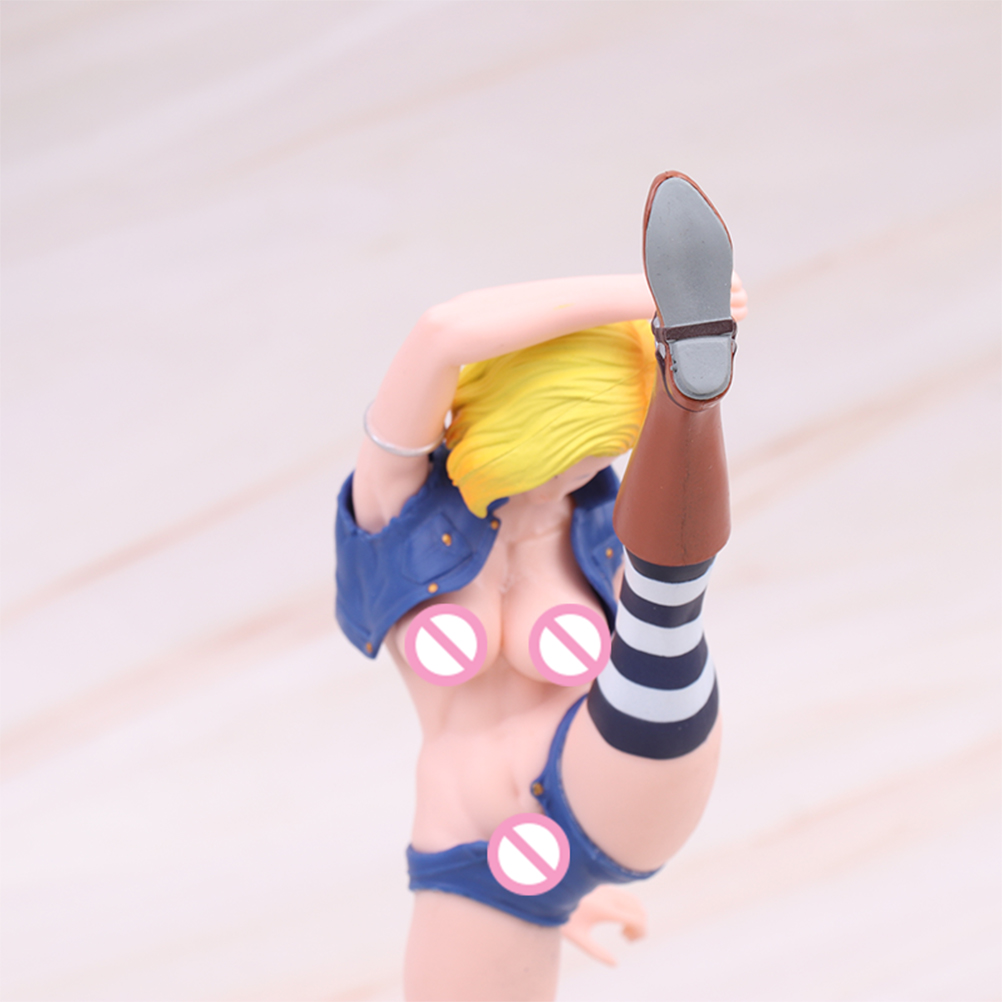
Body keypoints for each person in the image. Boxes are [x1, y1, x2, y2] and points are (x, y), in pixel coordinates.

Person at [336, 172, 748, 1001]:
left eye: (607, 454)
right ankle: (686, 395)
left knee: (660, 612)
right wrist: (644, 297)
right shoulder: (400, 505)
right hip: (476, 858)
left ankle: (687, 411)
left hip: (602, 780)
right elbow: (442, 332)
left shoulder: (599, 528)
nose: (587, 473)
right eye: (578, 452)